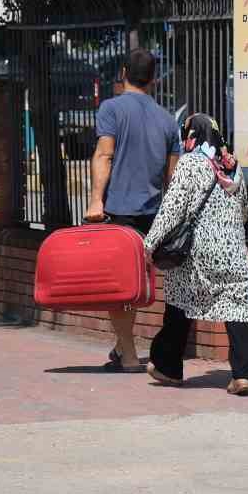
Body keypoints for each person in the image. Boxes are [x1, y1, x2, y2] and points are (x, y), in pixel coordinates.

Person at [142, 113, 248, 395]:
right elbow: (244, 210)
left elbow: (173, 207)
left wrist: (150, 243)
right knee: (241, 308)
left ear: (191, 135)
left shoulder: (190, 163)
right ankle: (247, 376)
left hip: (198, 249)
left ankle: (167, 366)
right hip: (233, 248)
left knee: (180, 302)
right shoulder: (233, 166)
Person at [84, 49, 181, 372]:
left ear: (124, 72)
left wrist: (97, 199)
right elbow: (173, 177)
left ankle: (128, 356)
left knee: (118, 286)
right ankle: (120, 345)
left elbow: (104, 154)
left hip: (118, 211)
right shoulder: (168, 120)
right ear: (154, 79)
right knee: (138, 281)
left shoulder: (111, 109)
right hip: (153, 214)